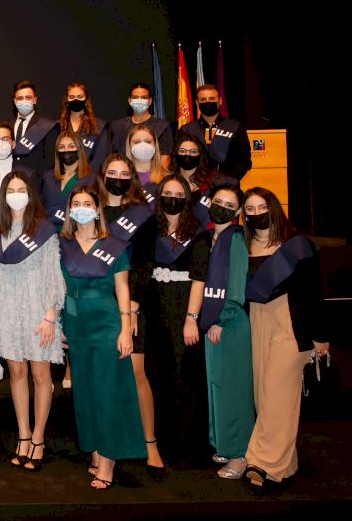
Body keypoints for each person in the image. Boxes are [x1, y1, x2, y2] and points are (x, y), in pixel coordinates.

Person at [58, 185, 145, 489]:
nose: (81, 208)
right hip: (75, 325)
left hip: (107, 323)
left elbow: (123, 288)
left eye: (87, 203)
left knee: (107, 393)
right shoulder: (62, 245)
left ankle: (108, 460)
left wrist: (125, 329)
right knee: (84, 393)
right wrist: (60, 323)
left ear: (97, 210)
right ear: (69, 210)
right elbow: (59, 287)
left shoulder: (114, 245)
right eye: (76, 203)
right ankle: (95, 450)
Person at [242, 187, 329, 489]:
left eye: (261, 207)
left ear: (273, 208)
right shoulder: (244, 244)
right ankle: (285, 464)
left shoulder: (297, 244)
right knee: (262, 395)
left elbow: (315, 292)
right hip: (257, 321)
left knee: (278, 394)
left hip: (292, 324)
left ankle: (260, 462)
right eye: (250, 209)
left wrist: (320, 335)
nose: (256, 214)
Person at [0, 170, 62, 473]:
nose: (16, 195)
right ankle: (23, 434)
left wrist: (50, 315)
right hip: (6, 307)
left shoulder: (43, 229)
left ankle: (39, 438)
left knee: (40, 373)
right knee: (16, 372)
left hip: (37, 307)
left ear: (30, 194)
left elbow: (52, 272)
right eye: (11, 190)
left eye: (21, 189)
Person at [97, 153, 161, 474]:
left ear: (132, 178)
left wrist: (133, 306)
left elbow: (145, 262)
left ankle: (150, 443)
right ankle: (107, 443)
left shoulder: (142, 214)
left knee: (136, 374)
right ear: (103, 175)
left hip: (132, 303)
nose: (118, 179)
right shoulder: (91, 210)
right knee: (104, 378)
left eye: (124, 174)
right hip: (98, 301)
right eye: (113, 173)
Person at [143, 176, 211, 469]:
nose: (173, 198)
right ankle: (164, 444)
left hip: (183, 307)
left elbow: (200, 278)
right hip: (154, 306)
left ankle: (188, 449)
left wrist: (191, 319)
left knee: (185, 378)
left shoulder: (197, 233)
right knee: (158, 376)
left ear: (187, 199)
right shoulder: (151, 228)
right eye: (167, 193)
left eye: (178, 193)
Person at [199, 183, 255, 481]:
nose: (222, 207)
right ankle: (225, 443)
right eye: (218, 201)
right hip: (214, 323)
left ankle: (240, 454)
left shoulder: (235, 239)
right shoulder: (211, 237)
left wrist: (222, 319)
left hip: (229, 324)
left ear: (238, 211)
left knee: (234, 390)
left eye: (229, 205)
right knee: (217, 386)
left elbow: (236, 285)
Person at [178, 84, 253, 181]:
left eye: (212, 99)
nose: (208, 102)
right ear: (197, 103)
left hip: (228, 185)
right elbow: (179, 161)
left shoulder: (236, 127)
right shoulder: (186, 130)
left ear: (220, 101)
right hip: (194, 184)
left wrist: (228, 181)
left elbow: (244, 161)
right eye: (203, 100)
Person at [108, 83, 173, 171]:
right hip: (124, 175)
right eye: (135, 97)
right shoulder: (117, 127)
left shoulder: (162, 126)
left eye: (143, 97)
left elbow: (164, 161)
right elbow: (111, 157)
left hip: (153, 176)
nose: (139, 101)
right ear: (129, 100)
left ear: (150, 101)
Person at [53, 82, 111, 173]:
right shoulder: (57, 126)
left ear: (86, 100)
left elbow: (100, 157)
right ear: (66, 100)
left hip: (89, 176)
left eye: (80, 97)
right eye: (72, 97)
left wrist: (87, 177)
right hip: (62, 175)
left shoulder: (98, 126)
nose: (76, 100)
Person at [41, 130, 95, 228]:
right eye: (62, 147)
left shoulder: (92, 178)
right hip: (47, 233)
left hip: (77, 231)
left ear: (79, 149)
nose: (66, 150)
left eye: (71, 146)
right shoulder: (47, 177)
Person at [170, 135, 218, 226]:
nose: (187, 155)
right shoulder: (168, 183)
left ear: (200, 155)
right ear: (175, 154)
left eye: (193, 152)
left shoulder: (212, 183)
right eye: (182, 151)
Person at [11, 80, 57, 175]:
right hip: (10, 179)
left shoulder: (46, 126)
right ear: (15, 101)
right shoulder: (6, 125)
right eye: (20, 98)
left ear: (35, 100)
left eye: (28, 97)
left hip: (36, 179)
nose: (24, 101)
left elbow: (50, 160)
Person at [125, 123, 168, 188]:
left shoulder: (167, 178)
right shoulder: (122, 176)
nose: (143, 146)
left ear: (155, 145)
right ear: (129, 146)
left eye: (148, 142)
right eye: (136, 142)